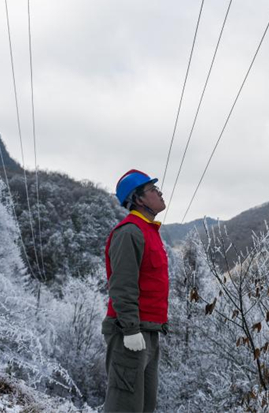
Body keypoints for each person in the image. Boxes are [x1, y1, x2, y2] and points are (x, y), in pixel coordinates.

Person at [102, 169, 169, 413]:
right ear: (138, 199)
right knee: (124, 406)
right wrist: (130, 328)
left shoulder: (150, 232)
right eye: (153, 190)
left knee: (144, 407)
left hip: (149, 332)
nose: (159, 193)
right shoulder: (129, 232)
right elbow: (122, 285)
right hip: (129, 332)